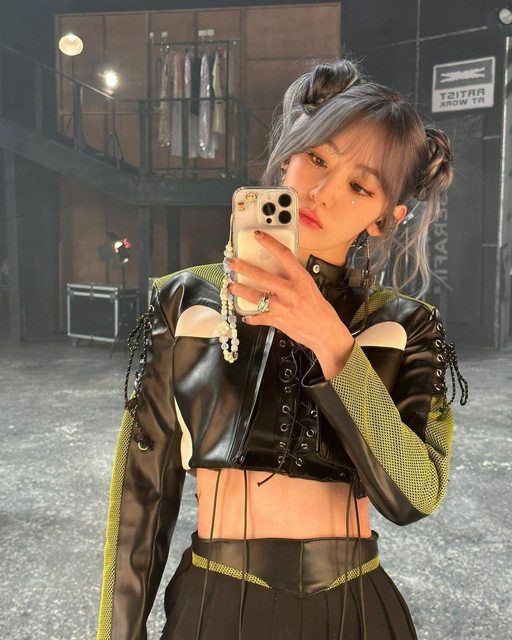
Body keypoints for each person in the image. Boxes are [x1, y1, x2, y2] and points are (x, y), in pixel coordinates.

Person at [96, 58, 468, 640]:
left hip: (355, 611)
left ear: (385, 217)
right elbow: (141, 494)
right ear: (287, 155)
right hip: (216, 604)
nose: (320, 191)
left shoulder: (405, 325)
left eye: (359, 185)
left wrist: (329, 338)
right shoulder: (186, 301)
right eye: (316, 157)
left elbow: (414, 495)